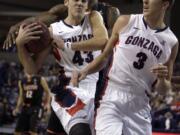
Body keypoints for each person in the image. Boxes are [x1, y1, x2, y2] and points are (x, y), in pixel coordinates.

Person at [71, 0, 179, 134]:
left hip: (140, 104)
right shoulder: (125, 21)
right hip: (111, 97)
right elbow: (105, 56)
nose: (145, 1)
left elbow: (164, 90)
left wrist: (162, 79)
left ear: (165, 4)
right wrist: (85, 71)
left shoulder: (171, 42)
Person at [15, 0, 108, 135]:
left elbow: (102, 41)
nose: (80, 3)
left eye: (84, 1)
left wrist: (67, 45)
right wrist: (20, 46)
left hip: (97, 89)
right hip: (68, 89)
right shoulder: (53, 31)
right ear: (66, 2)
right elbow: (32, 69)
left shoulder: (94, 17)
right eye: (76, 0)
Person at [3, 0, 119, 50]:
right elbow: (37, 19)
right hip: (72, 53)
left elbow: (114, 42)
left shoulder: (109, 12)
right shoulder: (63, 10)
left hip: (97, 53)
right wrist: (16, 26)